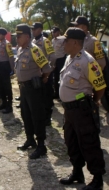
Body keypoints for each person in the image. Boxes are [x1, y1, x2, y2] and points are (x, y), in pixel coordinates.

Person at [58, 27, 106, 190]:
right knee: (72, 142)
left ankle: (97, 179)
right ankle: (77, 172)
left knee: (89, 142)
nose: (63, 43)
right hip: (69, 110)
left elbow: (100, 86)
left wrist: (94, 101)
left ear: (75, 42)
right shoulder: (69, 57)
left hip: (82, 110)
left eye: (66, 40)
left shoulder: (88, 61)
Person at [14, 24, 52, 159]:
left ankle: (41, 145)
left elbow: (46, 69)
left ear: (26, 36)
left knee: (37, 117)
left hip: (33, 89)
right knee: (26, 115)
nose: (17, 39)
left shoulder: (34, 50)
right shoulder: (20, 49)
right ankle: (30, 139)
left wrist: (42, 79)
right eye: (16, 36)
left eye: (19, 36)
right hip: (23, 88)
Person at [32, 22, 56, 126]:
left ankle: (47, 118)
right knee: (38, 96)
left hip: (45, 73)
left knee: (47, 96)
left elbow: (53, 57)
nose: (33, 31)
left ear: (40, 29)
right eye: (32, 29)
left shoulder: (45, 41)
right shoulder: (33, 41)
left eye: (35, 29)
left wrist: (48, 72)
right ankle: (40, 116)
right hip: (36, 74)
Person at [0, 28, 15, 114]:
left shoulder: (7, 44)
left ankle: (9, 105)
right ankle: (3, 102)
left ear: (4, 35)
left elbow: (11, 57)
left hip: (5, 65)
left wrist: (12, 68)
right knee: (0, 85)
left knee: (7, 86)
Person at [51, 27, 66, 99]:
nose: (53, 34)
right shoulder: (53, 40)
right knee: (55, 77)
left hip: (61, 59)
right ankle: (56, 93)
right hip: (55, 60)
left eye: (55, 32)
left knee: (61, 77)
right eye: (53, 32)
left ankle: (62, 95)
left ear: (58, 32)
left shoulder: (63, 39)